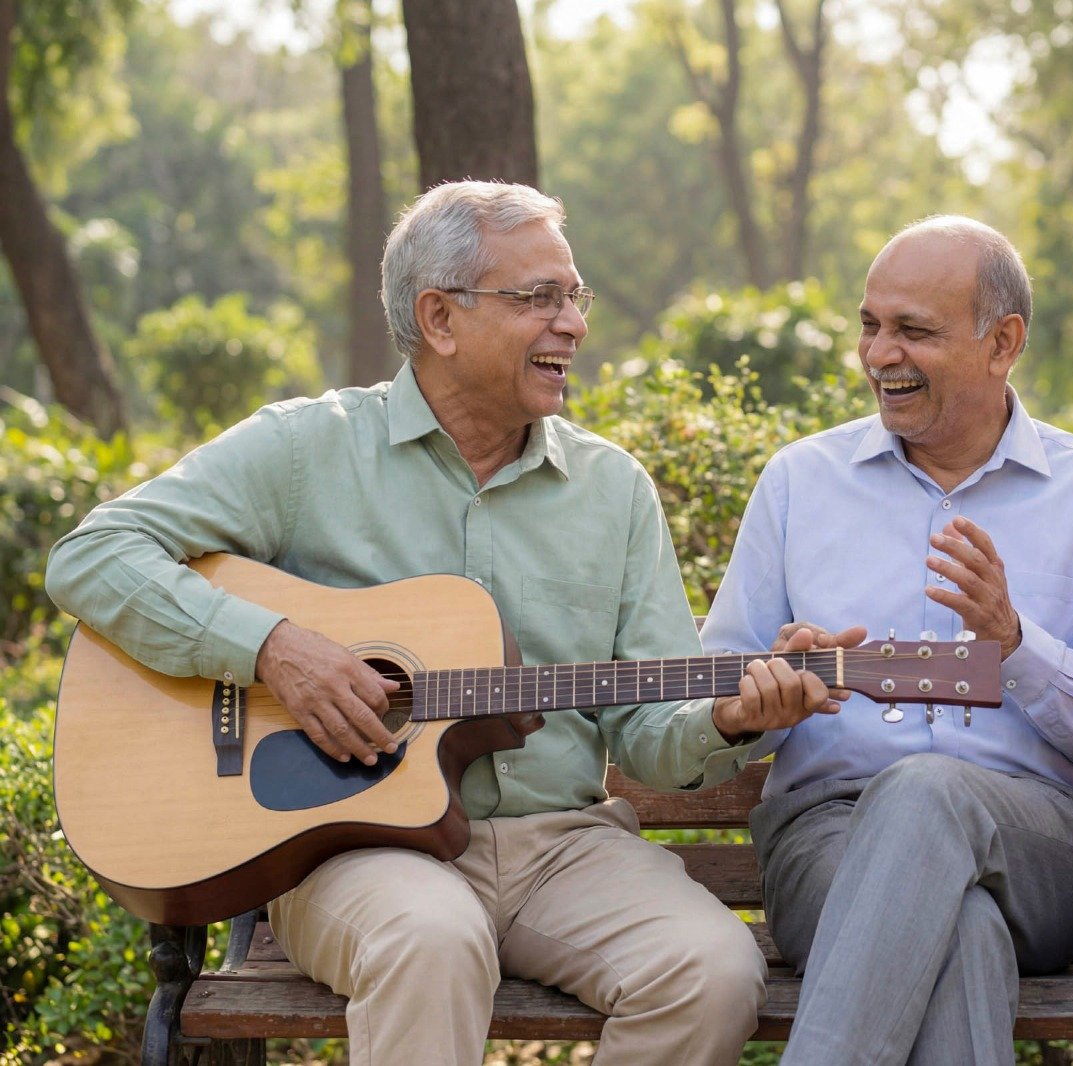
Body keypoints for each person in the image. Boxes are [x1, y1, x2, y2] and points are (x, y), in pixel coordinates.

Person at [45, 180, 841, 1066]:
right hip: (357, 855)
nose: (573, 323)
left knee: (712, 968)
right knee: (431, 940)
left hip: (565, 849)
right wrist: (274, 649)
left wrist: (732, 718)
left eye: (574, 296)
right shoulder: (307, 450)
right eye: (539, 297)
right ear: (440, 318)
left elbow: (650, 735)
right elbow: (93, 554)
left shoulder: (612, 489)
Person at [699, 216, 1073, 1065]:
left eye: (914, 330)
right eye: (870, 325)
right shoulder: (802, 482)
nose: (879, 354)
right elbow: (717, 690)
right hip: (826, 839)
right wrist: (761, 697)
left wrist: (1015, 644)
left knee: (927, 790)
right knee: (963, 932)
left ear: (1003, 342)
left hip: (1042, 847)